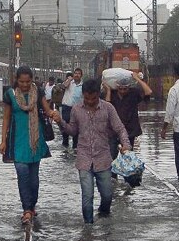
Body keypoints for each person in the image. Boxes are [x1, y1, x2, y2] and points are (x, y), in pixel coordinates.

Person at [51, 79, 131, 224]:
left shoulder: (108, 108)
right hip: (84, 159)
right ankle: (88, 229)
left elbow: (120, 128)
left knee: (107, 195)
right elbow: (73, 130)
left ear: (98, 95)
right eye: (87, 98)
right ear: (83, 95)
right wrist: (60, 122)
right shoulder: (76, 109)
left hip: (103, 159)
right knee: (87, 196)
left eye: (93, 98)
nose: (90, 101)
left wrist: (126, 144)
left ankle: (104, 216)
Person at [0, 66, 55, 224]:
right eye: (21, 81)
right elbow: (6, 119)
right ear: (16, 80)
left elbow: (47, 109)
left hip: (35, 142)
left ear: (32, 80)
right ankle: (27, 210)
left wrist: (54, 114)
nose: (24, 85)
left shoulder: (38, 92)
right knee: (22, 174)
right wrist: (3, 140)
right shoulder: (10, 95)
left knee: (34, 179)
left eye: (28, 81)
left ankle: (32, 205)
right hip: (17, 141)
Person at [104, 71, 153, 166]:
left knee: (128, 156)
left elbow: (148, 92)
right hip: (113, 130)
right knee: (111, 156)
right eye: (120, 89)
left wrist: (137, 79)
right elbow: (107, 108)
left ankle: (128, 178)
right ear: (117, 88)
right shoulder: (112, 94)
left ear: (129, 88)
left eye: (125, 89)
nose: (122, 91)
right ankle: (113, 178)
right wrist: (108, 91)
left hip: (130, 130)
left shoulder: (134, 94)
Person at [60, 68, 84, 151]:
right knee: (65, 125)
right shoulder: (69, 83)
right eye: (75, 73)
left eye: (79, 73)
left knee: (76, 127)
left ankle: (75, 146)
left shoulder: (83, 85)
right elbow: (63, 87)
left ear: (81, 75)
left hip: (77, 109)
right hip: (66, 107)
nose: (77, 75)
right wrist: (69, 80)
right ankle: (65, 143)